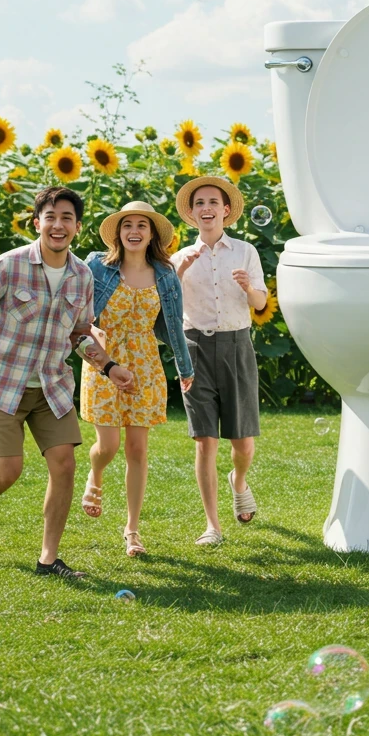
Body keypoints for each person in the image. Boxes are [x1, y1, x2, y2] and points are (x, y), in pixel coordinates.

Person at [0, 186, 133, 577]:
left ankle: (48, 560)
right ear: (37, 223)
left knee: (64, 464)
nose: (58, 225)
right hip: (2, 382)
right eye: (51, 217)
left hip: (50, 385)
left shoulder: (82, 276)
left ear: (77, 227)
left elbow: (80, 333)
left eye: (67, 218)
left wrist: (109, 367)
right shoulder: (8, 266)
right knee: (8, 471)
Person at [80, 201, 194, 556]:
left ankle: (132, 529)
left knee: (138, 449)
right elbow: (80, 315)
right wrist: (94, 347)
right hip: (104, 359)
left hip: (146, 361)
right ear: (118, 232)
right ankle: (95, 473)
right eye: (127, 224)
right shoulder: (97, 265)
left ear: (152, 234)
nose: (134, 231)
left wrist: (185, 367)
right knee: (108, 447)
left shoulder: (164, 272)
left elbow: (174, 324)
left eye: (142, 225)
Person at [171, 176, 268, 546]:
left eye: (213, 202)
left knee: (242, 444)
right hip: (194, 348)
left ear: (226, 211)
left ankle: (239, 480)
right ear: (192, 214)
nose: (207, 208)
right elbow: (166, 309)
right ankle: (213, 525)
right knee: (205, 440)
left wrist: (249, 288)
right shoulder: (179, 258)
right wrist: (177, 272)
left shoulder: (245, 251)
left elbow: (259, 304)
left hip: (236, 346)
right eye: (199, 204)